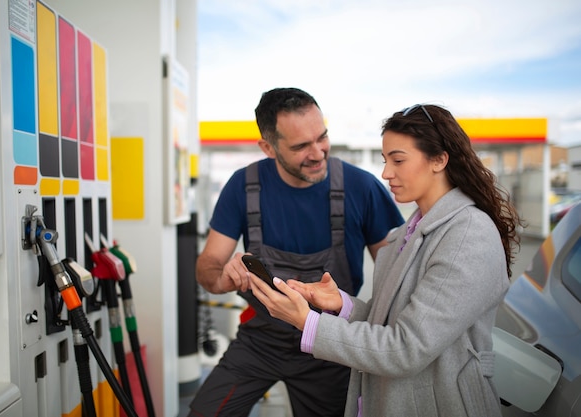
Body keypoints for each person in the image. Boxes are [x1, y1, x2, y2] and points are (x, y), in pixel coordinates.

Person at [250, 103, 524, 417]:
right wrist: (343, 306)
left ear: (439, 159)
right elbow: (397, 323)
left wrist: (307, 321)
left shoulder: (467, 236)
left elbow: (405, 347)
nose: (385, 173)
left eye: (398, 160)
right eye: (385, 160)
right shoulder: (406, 234)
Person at [188, 87, 404, 416]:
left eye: (322, 137)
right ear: (268, 147)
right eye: (301, 146)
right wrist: (223, 278)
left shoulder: (361, 188)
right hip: (262, 340)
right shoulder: (243, 187)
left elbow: (397, 279)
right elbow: (208, 268)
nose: (318, 152)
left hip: (330, 346)